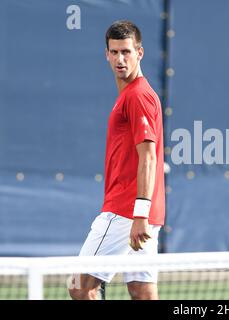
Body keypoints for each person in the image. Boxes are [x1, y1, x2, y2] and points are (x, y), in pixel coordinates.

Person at [68, 20, 165, 300]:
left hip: (127, 211)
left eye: (126, 52)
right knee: (142, 292)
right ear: (106, 54)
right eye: (114, 52)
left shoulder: (138, 96)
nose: (120, 59)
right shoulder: (131, 95)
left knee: (79, 286)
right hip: (141, 212)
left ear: (140, 53)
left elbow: (148, 157)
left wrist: (139, 214)